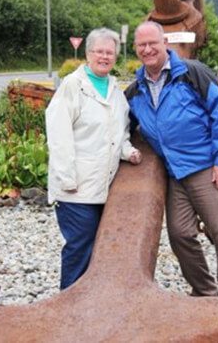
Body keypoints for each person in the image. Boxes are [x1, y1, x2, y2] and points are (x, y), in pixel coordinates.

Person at [125, 21, 218, 296]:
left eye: (153, 43)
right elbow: (121, 129)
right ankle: (204, 291)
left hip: (207, 168)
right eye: (142, 45)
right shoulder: (135, 91)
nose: (148, 49)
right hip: (175, 174)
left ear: (165, 43)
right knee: (180, 234)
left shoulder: (192, 73)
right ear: (136, 50)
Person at [46, 27, 142, 290]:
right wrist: (67, 179)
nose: (104, 56)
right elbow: (58, 135)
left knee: (98, 247)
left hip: (103, 187)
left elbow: (119, 133)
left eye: (109, 52)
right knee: (80, 246)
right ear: (87, 54)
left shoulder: (115, 89)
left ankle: (90, 302)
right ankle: (68, 302)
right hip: (76, 187)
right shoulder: (72, 87)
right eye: (99, 51)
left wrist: (128, 151)